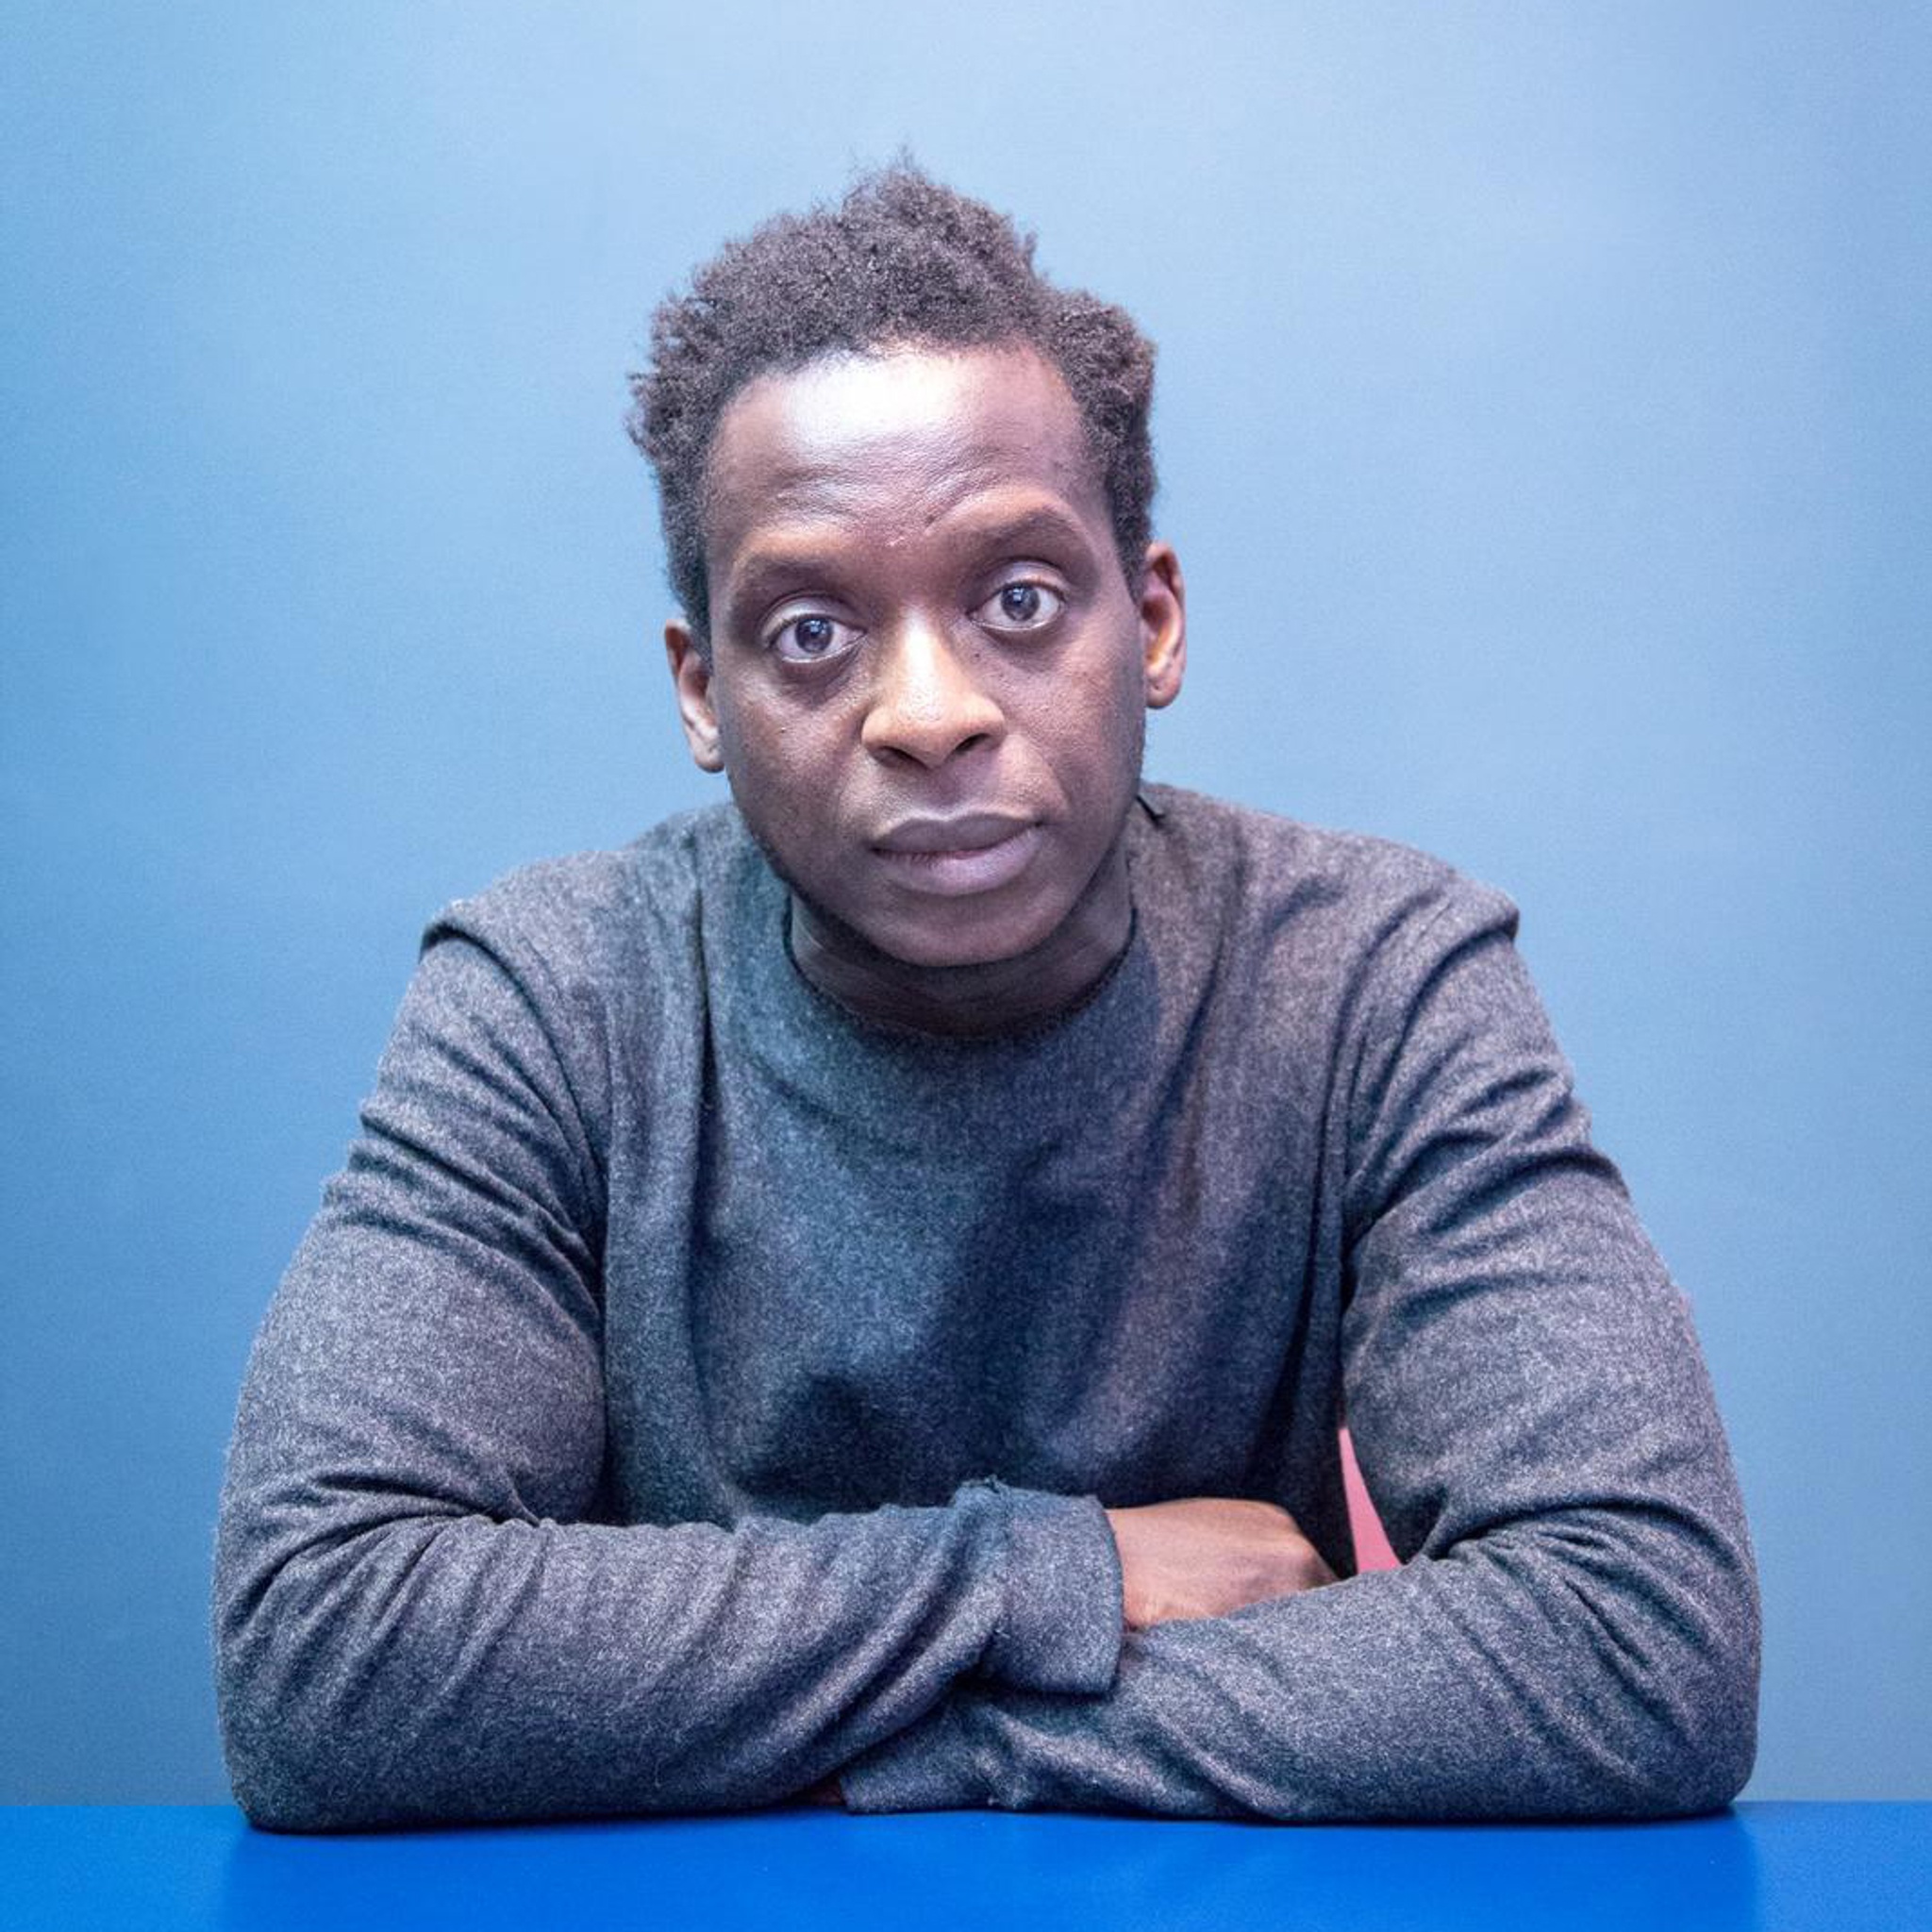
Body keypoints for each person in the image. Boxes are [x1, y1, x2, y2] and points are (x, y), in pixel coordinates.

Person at [210, 162, 1759, 1831]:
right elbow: (326, 1657)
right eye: (810, 633)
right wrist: (1055, 1575)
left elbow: (1641, 1641)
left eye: (1020, 601)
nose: (928, 712)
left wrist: (917, 1755)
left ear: (1149, 622)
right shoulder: (553, 1003)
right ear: (699, 693)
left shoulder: (1377, 979)